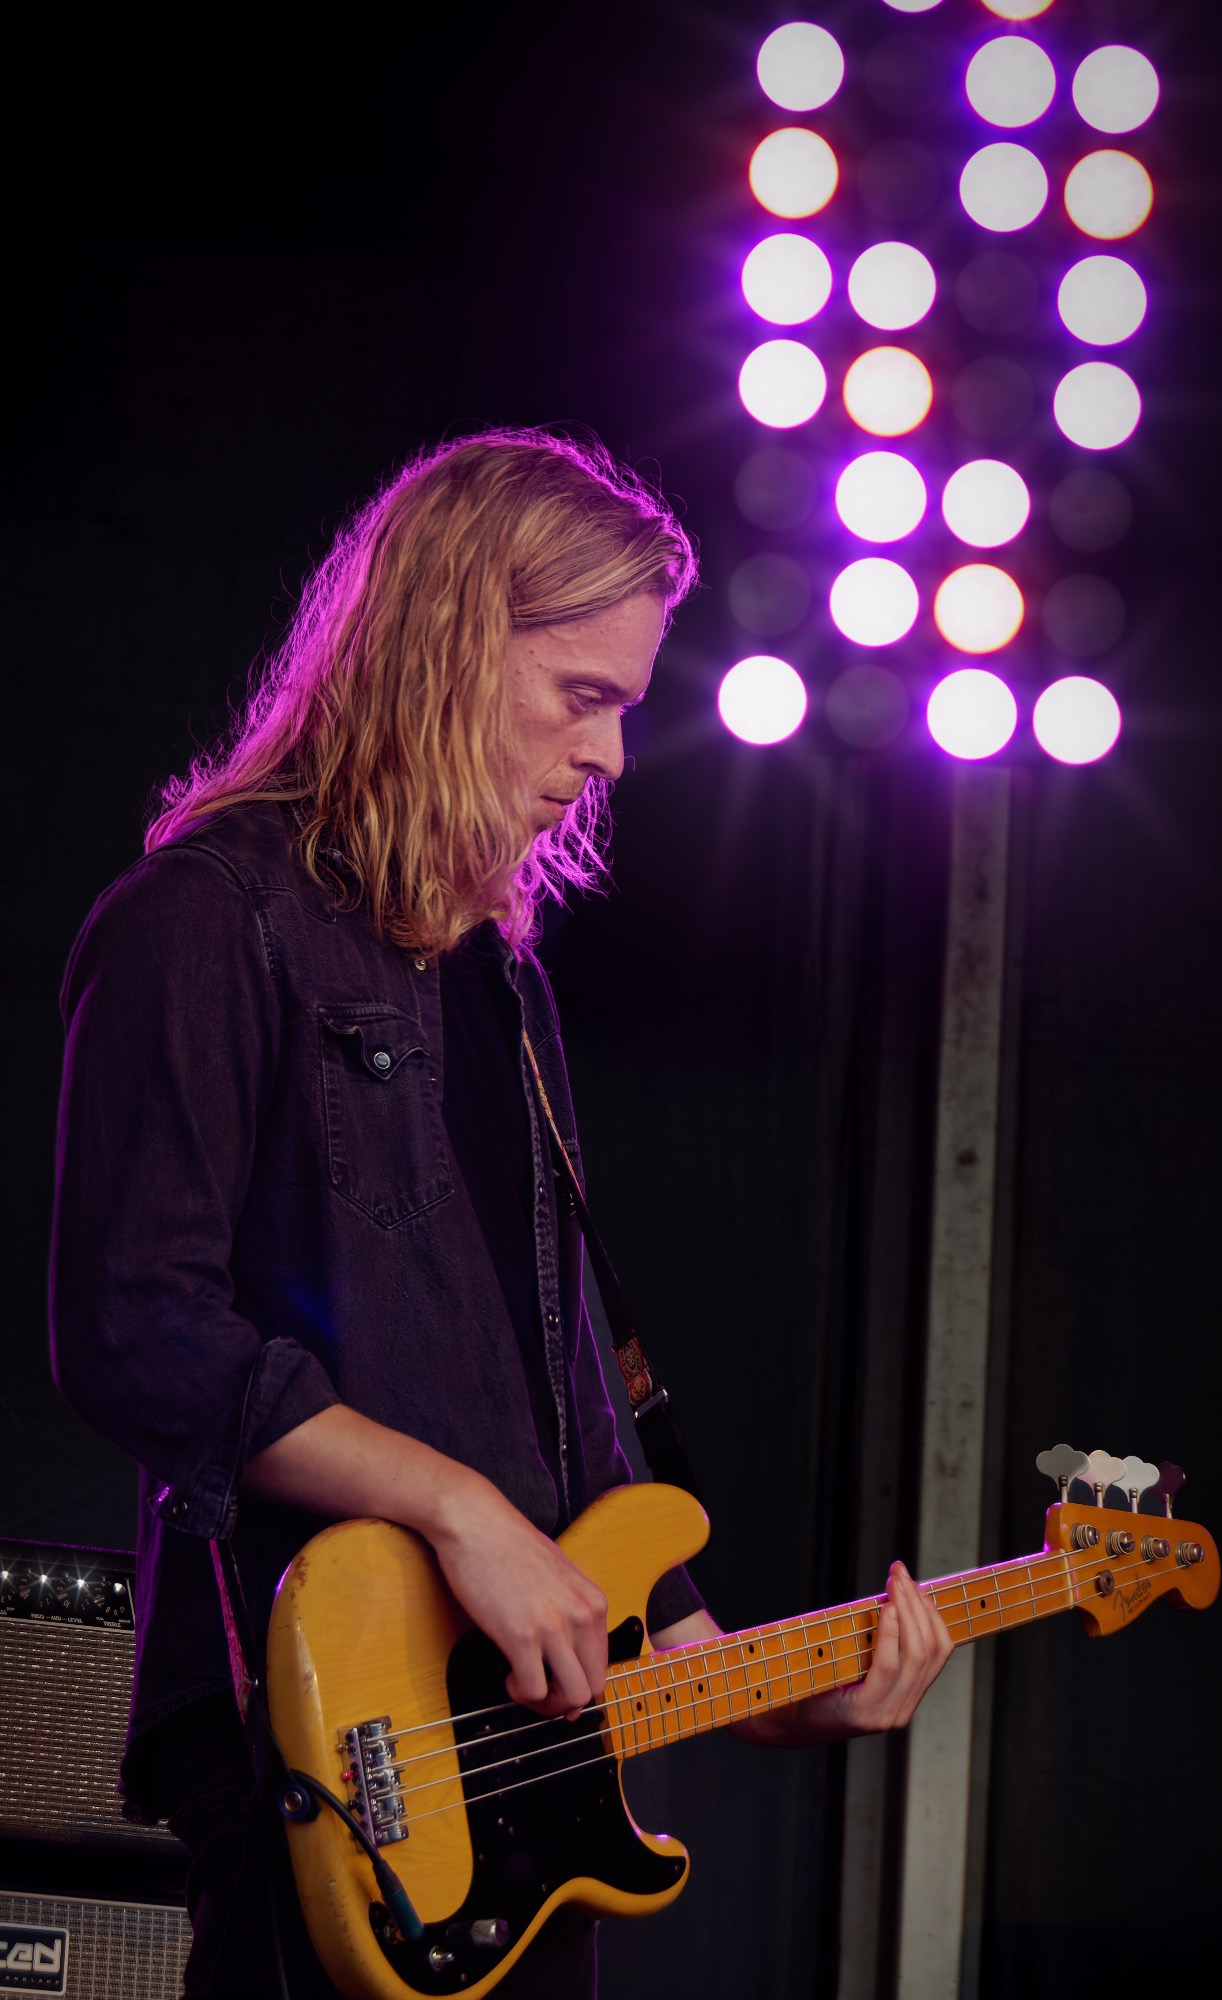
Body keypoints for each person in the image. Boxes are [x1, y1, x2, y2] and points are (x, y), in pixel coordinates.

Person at [49, 430, 952, 1999]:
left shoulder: (498, 985)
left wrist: (743, 1681)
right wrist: (461, 1516)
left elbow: (576, 1414)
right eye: (581, 694)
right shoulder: (206, 917)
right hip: (324, 1711)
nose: (611, 759)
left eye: (626, 706)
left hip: (519, 1749)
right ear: (447, 648)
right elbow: (133, 1326)